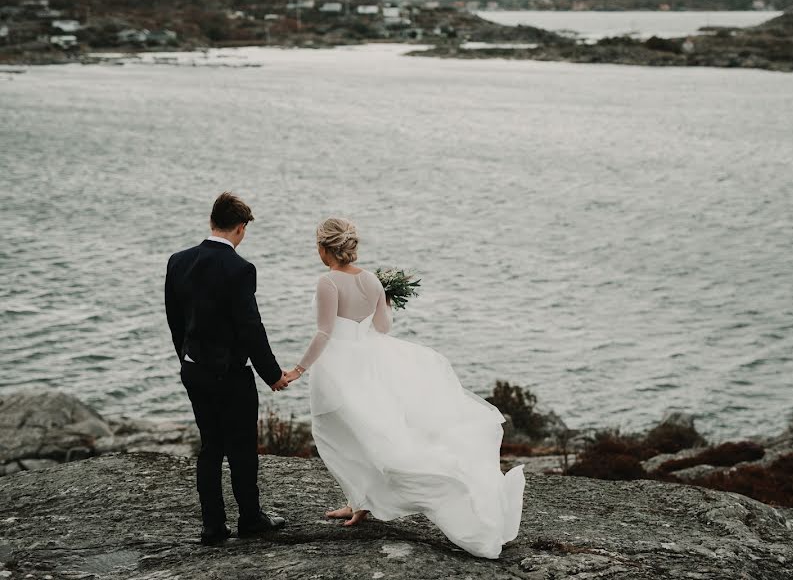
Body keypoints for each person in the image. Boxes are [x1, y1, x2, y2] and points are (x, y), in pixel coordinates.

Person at [284, 217, 525, 559]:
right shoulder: (370, 280)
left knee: (334, 434)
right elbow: (382, 326)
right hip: (368, 364)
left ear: (325, 249)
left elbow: (324, 333)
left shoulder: (327, 282)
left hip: (338, 367)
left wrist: (297, 370)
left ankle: (364, 501)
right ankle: (360, 502)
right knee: (363, 434)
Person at [164, 192, 298, 546]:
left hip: (194, 369)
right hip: (230, 374)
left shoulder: (178, 261)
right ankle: (250, 519)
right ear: (240, 228)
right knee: (241, 447)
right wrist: (273, 375)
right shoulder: (240, 269)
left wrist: (186, 358)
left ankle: (212, 526)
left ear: (212, 221)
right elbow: (250, 328)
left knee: (210, 447)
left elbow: (175, 319)